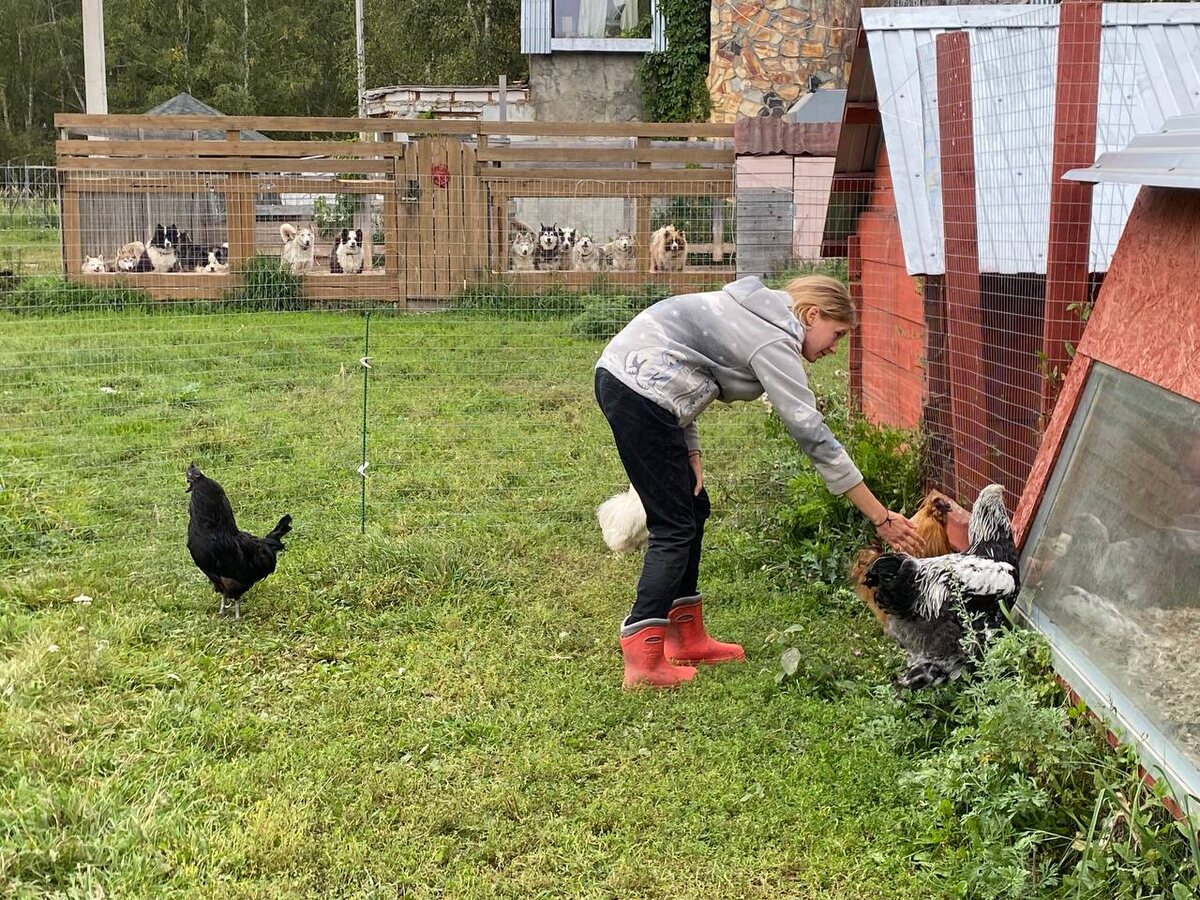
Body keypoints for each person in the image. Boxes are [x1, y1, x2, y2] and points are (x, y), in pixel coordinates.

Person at [594, 274, 923, 690]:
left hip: (643, 387)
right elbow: (812, 433)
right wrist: (880, 517)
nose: (834, 347)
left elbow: (686, 369)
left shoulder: (759, 318)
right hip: (636, 389)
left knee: (693, 507)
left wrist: (690, 450)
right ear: (811, 314)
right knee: (673, 525)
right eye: (836, 334)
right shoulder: (774, 337)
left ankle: (685, 637)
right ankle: (643, 656)